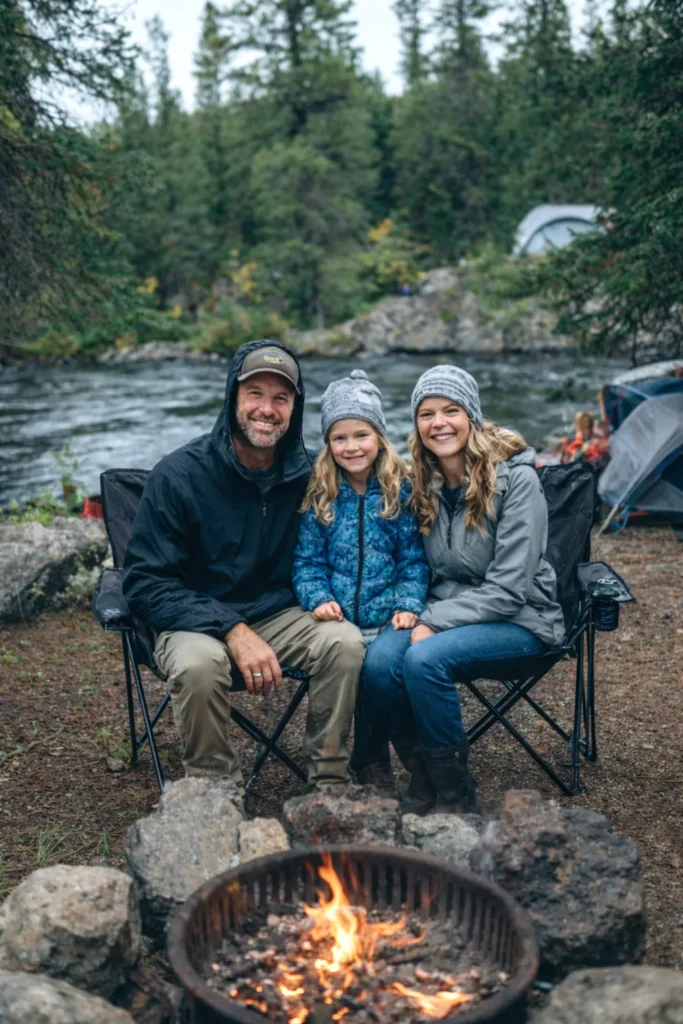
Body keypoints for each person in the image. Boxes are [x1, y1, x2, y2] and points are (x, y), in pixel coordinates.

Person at [122, 341, 366, 793]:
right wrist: (232, 628)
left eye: (281, 398)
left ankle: (329, 785)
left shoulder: (311, 475)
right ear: (233, 397)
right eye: (255, 393)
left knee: (345, 642)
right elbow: (145, 584)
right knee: (198, 665)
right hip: (191, 620)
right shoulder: (178, 475)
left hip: (278, 615)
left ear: (296, 406)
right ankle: (214, 794)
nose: (267, 409)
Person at [361, 365, 566, 815]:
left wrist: (433, 622)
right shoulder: (425, 485)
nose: (439, 423)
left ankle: (456, 796)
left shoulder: (518, 482)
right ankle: (427, 779)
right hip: (444, 612)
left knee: (424, 658)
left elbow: (510, 590)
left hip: (522, 620)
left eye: (450, 410)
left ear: (471, 416)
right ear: (416, 424)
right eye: (427, 413)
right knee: (378, 660)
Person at [292, 370, 429, 794]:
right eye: (340, 438)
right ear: (328, 444)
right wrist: (317, 598)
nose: (351, 447)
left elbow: (413, 560)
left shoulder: (399, 490)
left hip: (389, 615)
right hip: (338, 618)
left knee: (379, 672)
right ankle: (344, 758)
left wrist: (408, 603)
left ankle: (376, 762)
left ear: (380, 437)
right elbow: (307, 561)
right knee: (348, 664)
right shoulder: (321, 494)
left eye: (361, 435)